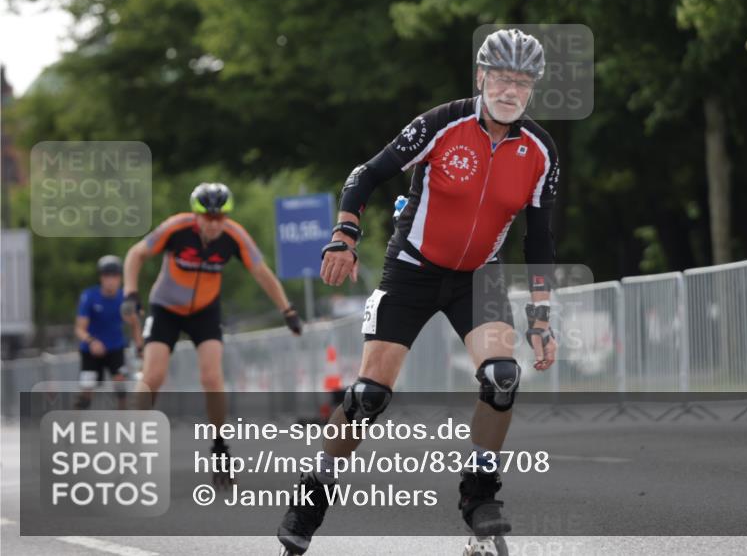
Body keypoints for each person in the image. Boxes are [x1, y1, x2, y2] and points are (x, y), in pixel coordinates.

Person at [278, 28, 559, 553]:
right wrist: (344, 236)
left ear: (533, 88)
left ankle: (480, 494)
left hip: (478, 276)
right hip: (412, 270)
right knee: (369, 396)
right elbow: (365, 175)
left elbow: (539, 238)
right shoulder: (442, 123)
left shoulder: (540, 150)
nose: (510, 91)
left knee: (502, 376)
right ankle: (313, 491)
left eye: (522, 82)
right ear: (481, 76)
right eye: (501, 78)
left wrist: (541, 316)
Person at [122, 182, 302, 480]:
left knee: (212, 377)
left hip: (205, 311)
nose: (215, 224)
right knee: (153, 376)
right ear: (196, 215)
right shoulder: (176, 228)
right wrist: (130, 293)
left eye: (220, 217)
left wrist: (288, 310)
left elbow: (261, 272)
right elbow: (135, 254)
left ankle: (220, 447)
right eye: (209, 217)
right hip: (166, 308)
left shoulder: (234, 236)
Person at [74, 255, 143, 409]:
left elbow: (135, 323)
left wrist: (139, 348)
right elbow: (79, 329)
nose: (111, 280)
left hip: (115, 348)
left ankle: (124, 420)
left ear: (120, 278)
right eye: (107, 276)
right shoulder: (90, 296)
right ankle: (75, 420)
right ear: (101, 278)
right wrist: (92, 342)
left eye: (115, 276)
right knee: (86, 391)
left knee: (121, 388)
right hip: (91, 350)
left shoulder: (124, 299)